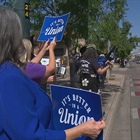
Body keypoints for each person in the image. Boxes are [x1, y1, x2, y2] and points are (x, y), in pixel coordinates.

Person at [0, 7, 106, 140]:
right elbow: (32, 136)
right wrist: (81, 130)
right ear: (12, 37)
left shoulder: (11, 72)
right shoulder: (9, 78)